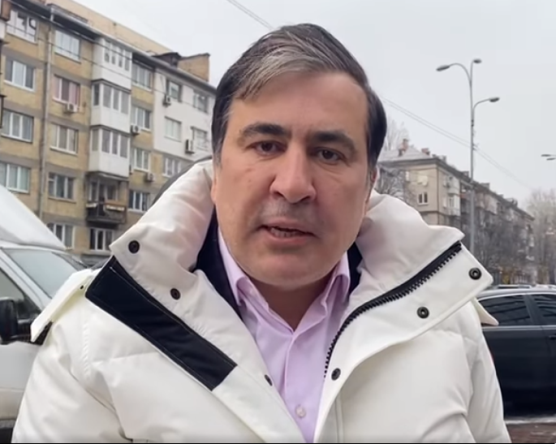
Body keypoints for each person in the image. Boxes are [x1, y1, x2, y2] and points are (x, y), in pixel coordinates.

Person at [12, 23, 510, 443]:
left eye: (329, 154)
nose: (293, 185)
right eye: (266, 145)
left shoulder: (446, 325)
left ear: (368, 187)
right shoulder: (97, 336)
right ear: (216, 168)